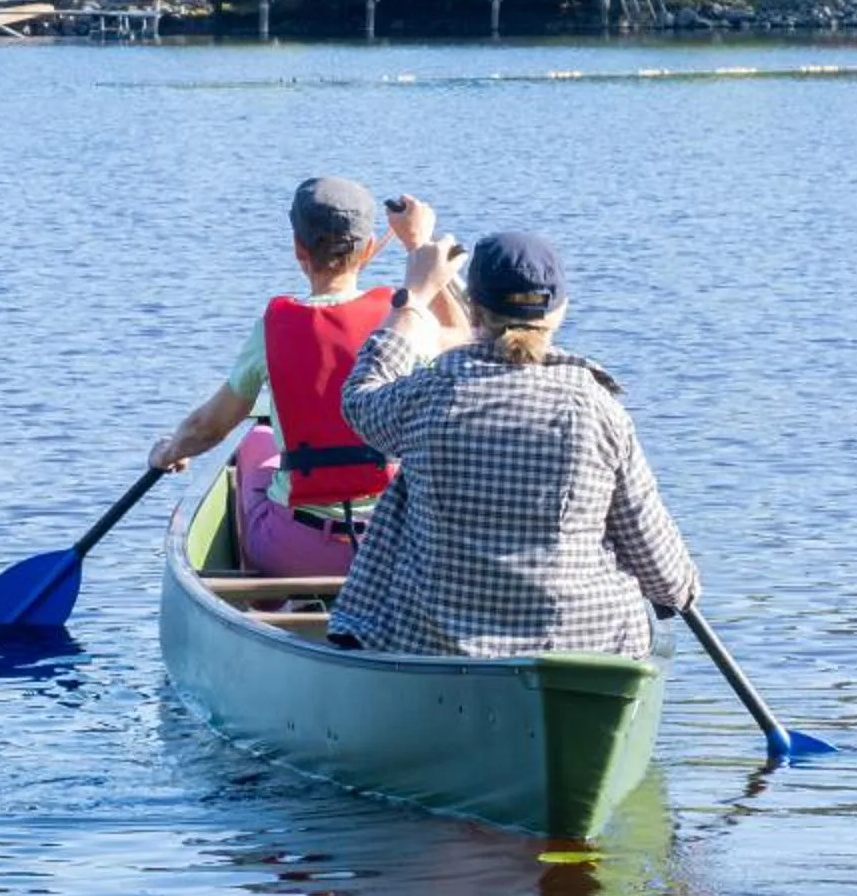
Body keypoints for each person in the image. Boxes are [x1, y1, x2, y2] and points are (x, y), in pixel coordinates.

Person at [329, 230, 699, 658]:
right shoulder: (598, 410)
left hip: (438, 649)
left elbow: (359, 399)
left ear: (474, 311)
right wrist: (682, 589)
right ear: (559, 311)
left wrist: (413, 298)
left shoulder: (429, 395)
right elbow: (665, 579)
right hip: (586, 653)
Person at [150, 177, 447, 576]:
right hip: (393, 545)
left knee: (255, 444)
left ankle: (272, 607)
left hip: (295, 550)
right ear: (371, 248)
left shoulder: (273, 328)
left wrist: (170, 452)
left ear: (297, 250)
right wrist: (419, 245)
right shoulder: (403, 321)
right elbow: (466, 336)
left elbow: (208, 428)